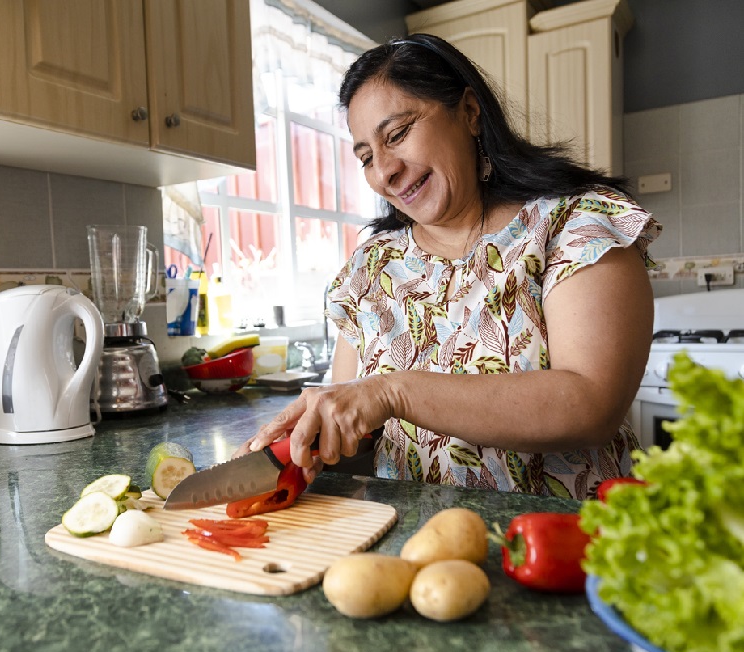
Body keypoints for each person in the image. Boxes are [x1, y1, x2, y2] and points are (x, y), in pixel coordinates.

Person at [237, 33, 661, 499]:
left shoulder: (574, 226)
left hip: (570, 549)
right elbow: (353, 438)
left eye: (396, 135)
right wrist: (296, 449)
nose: (385, 172)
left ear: (470, 112)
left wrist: (393, 392)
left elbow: (590, 405)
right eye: (365, 158)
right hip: (415, 551)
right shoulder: (369, 271)